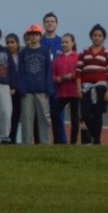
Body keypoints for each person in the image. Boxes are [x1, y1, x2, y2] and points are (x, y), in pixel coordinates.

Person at [77, 23, 108, 147]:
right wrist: (78, 88)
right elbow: (78, 71)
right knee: (86, 114)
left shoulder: (107, 53)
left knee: (98, 114)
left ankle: (97, 141)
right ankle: (95, 135)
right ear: (91, 37)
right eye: (95, 35)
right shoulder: (84, 51)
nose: (97, 38)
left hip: (101, 86)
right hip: (86, 86)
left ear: (103, 38)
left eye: (100, 35)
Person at [17, 24, 53, 144]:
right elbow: (20, 71)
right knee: (27, 118)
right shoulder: (23, 52)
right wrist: (21, 88)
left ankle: (45, 143)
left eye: (36, 34)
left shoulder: (45, 51)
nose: (33, 37)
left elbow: (49, 70)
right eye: (31, 34)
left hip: (42, 90)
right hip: (27, 91)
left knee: (44, 118)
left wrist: (48, 88)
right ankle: (26, 143)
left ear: (40, 36)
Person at [41, 12, 65, 144]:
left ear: (56, 24)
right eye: (47, 21)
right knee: (43, 116)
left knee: (59, 115)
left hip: (59, 86)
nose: (50, 23)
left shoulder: (62, 42)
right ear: (44, 24)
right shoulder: (39, 42)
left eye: (52, 21)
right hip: (43, 84)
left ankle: (61, 141)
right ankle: (43, 141)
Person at [51, 33, 80, 145]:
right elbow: (52, 75)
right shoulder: (58, 59)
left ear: (73, 43)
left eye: (67, 42)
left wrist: (71, 76)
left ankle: (73, 142)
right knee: (54, 113)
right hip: (62, 92)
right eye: (62, 42)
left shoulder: (77, 57)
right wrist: (57, 79)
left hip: (74, 91)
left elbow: (80, 72)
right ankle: (57, 140)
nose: (64, 44)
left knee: (75, 117)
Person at [5, 34, 23, 143]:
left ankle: (14, 139)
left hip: (20, 89)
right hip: (8, 89)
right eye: (8, 43)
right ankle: (9, 138)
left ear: (17, 43)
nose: (10, 45)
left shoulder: (22, 56)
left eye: (12, 42)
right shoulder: (5, 56)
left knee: (17, 115)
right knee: (9, 115)